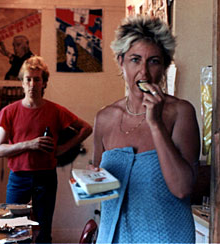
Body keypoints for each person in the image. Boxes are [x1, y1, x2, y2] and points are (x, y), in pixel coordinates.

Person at [92, 16, 200, 243]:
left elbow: (182, 188)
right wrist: (87, 181)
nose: (144, 73)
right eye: (135, 60)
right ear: (121, 62)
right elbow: (99, 189)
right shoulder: (104, 118)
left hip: (167, 237)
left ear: (165, 67)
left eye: (153, 61)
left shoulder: (181, 112)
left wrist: (156, 124)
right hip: (113, 237)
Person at [0, 55, 92, 243]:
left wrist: (63, 148)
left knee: (43, 231)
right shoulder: (9, 111)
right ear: (21, 83)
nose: (32, 84)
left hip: (46, 176)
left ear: (44, 83)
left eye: (36, 79)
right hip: (19, 177)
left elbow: (87, 128)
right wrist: (30, 144)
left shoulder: (55, 111)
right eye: (28, 79)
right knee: (14, 231)